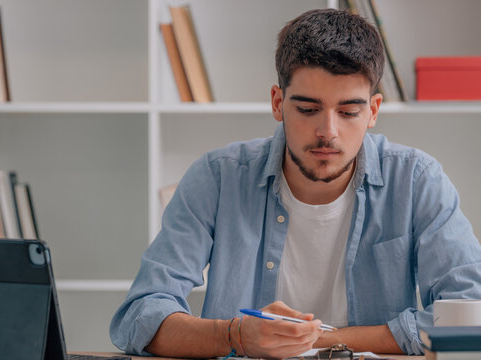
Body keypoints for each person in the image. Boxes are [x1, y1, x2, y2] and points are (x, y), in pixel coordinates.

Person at [110, 8, 481, 357]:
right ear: (277, 102)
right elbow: (140, 316)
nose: (328, 132)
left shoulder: (417, 180)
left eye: (349, 112)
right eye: (307, 109)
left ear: (374, 111)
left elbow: (471, 314)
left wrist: (324, 341)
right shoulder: (218, 177)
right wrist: (236, 335)